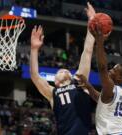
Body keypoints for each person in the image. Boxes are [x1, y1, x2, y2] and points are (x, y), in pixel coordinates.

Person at [30, 2, 96, 135]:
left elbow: (87, 51)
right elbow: (35, 76)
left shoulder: (79, 81)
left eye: (65, 70)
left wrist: (91, 23)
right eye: (59, 71)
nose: (63, 70)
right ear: (55, 82)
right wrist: (34, 49)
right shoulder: (52, 93)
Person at [76, 25, 122, 135]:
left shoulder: (110, 87)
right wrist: (88, 85)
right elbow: (100, 99)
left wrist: (100, 42)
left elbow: (102, 68)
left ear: (120, 77)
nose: (110, 70)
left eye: (114, 70)